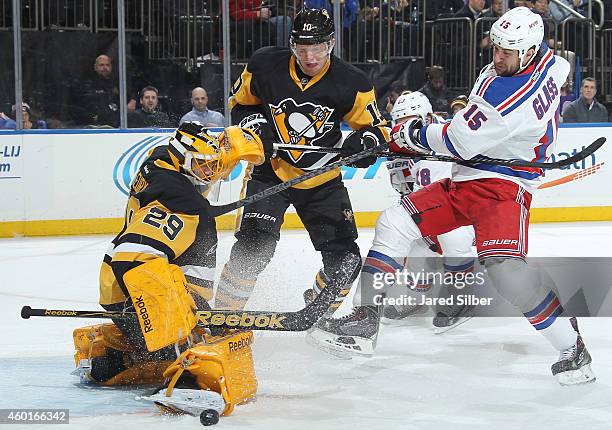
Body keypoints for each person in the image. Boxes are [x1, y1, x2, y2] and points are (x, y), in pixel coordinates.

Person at [306, 7, 595, 385]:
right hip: (469, 177)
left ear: (529, 50)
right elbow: (557, 69)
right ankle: (364, 320)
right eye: (497, 47)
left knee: (507, 274)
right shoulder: (548, 63)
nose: (498, 56)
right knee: (394, 222)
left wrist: (404, 136)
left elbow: (456, 140)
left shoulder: (508, 98)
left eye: (508, 51)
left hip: (504, 187)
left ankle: (571, 347)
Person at [72, 122, 264, 414]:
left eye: (213, 167)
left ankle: (113, 360)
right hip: (136, 297)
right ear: (184, 159)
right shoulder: (184, 203)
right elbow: (133, 257)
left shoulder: (160, 159)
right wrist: (190, 329)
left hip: (121, 298)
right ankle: (188, 378)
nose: (208, 174)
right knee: (204, 335)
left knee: (190, 314)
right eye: (201, 167)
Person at [214, 8, 388, 324]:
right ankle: (222, 317)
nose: (310, 56)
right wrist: (256, 125)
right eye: (303, 47)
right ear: (293, 44)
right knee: (254, 246)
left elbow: (377, 129)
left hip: (322, 179)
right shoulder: (266, 64)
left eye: (318, 47)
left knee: (346, 260)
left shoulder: (352, 82)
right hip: (271, 172)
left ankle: (318, 314)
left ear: (331, 44)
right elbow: (239, 103)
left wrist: (365, 144)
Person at [308, 92, 476, 353]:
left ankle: (462, 296)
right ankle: (415, 299)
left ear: (428, 119)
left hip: (461, 218)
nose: (404, 129)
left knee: (454, 239)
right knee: (410, 256)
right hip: (424, 218)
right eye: (399, 122)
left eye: (411, 121)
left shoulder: (443, 143)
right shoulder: (400, 143)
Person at [75, 54, 137, 128]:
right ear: (95, 67)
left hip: (117, 125)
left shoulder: (118, 82)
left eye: (107, 65)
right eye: (101, 65)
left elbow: (130, 93)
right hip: (94, 125)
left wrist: (133, 100)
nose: (105, 68)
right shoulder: (87, 83)